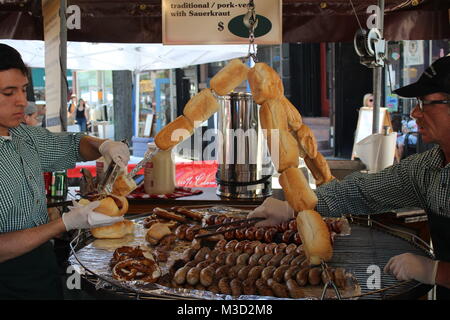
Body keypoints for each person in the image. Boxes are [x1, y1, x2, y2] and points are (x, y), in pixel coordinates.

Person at [249, 55, 450, 299]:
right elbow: (362, 191)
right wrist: (293, 207)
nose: (416, 113)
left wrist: (436, 271)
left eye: (426, 102)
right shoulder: (428, 167)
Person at [0, 44, 131, 299]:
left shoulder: (24, 136)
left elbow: (74, 145)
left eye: (24, 90)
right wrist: (65, 223)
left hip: (42, 270)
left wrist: (103, 145)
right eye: (8, 92)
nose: (22, 102)